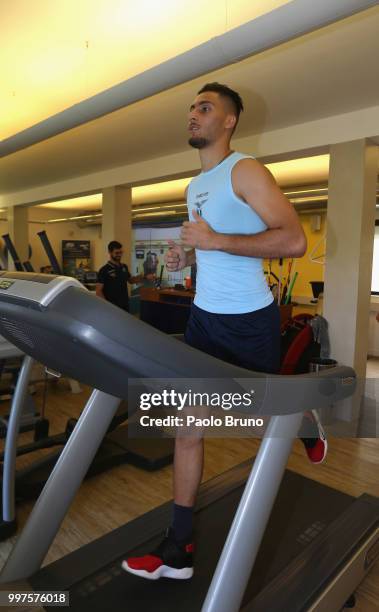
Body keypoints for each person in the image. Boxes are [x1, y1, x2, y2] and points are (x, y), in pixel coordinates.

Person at [122, 82, 326, 581]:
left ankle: (301, 414)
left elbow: (294, 239)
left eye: (205, 107)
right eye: (192, 107)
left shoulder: (246, 170)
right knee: (187, 429)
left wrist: (216, 238)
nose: (193, 114)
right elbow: (210, 245)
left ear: (230, 121)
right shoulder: (194, 187)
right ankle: (179, 547)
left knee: (255, 419)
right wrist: (188, 253)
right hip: (203, 319)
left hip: (247, 319)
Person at [96, 241, 144, 312]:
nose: (119, 255)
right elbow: (98, 291)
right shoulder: (104, 270)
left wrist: (142, 277)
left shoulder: (124, 267)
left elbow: (130, 280)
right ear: (110, 252)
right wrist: (106, 306)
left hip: (125, 304)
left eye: (121, 252)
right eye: (116, 253)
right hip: (112, 307)